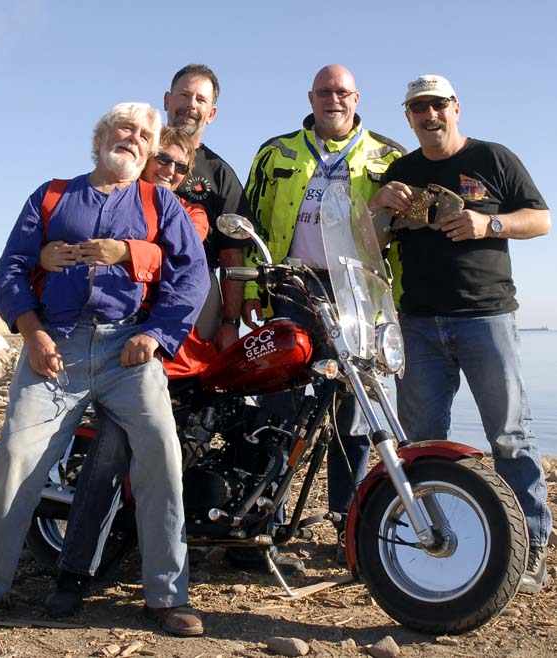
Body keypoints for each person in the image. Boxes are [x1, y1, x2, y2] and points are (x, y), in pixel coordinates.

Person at [0, 103, 209, 636]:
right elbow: (9, 268)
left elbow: (189, 276)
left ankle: (167, 597)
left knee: (161, 456)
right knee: (14, 458)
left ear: (151, 149)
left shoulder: (160, 202)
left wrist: (155, 336)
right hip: (53, 348)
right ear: (100, 136)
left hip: (127, 350)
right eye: (124, 128)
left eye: (144, 134)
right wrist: (32, 332)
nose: (133, 139)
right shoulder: (52, 195)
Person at [370, 74, 552, 593]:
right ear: (408, 116)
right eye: (418, 108)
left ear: (455, 107)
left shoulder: (493, 158)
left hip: (486, 317)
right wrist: (379, 204)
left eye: (437, 105)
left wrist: (486, 225)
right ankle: (435, 534)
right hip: (419, 323)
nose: (429, 116)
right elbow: (369, 241)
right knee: (422, 443)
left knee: (510, 437)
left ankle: (532, 545)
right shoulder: (401, 170)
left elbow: (541, 220)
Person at [38, 126, 215, 620]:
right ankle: (74, 573)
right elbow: (147, 254)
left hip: (186, 351)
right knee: (112, 452)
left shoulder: (180, 208)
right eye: (163, 160)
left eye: (181, 168)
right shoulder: (129, 203)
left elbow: (190, 258)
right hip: (132, 353)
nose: (170, 171)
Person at [241, 64, 405, 567]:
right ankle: (265, 523)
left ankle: (347, 525)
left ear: (357, 97)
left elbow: (398, 239)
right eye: (324, 91)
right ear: (310, 97)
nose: (333, 99)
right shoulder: (276, 152)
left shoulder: (389, 155)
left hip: (354, 293)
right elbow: (251, 221)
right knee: (279, 408)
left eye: (342, 91)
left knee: (353, 413)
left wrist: (389, 307)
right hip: (290, 287)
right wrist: (252, 285)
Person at [164, 64, 252, 352]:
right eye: (184, 95)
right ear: (167, 100)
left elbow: (232, 254)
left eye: (201, 100)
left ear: (211, 114)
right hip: (132, 281)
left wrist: (230, 323)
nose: (191, 105)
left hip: (197, 287)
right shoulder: (138, 155)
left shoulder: (220, 175)